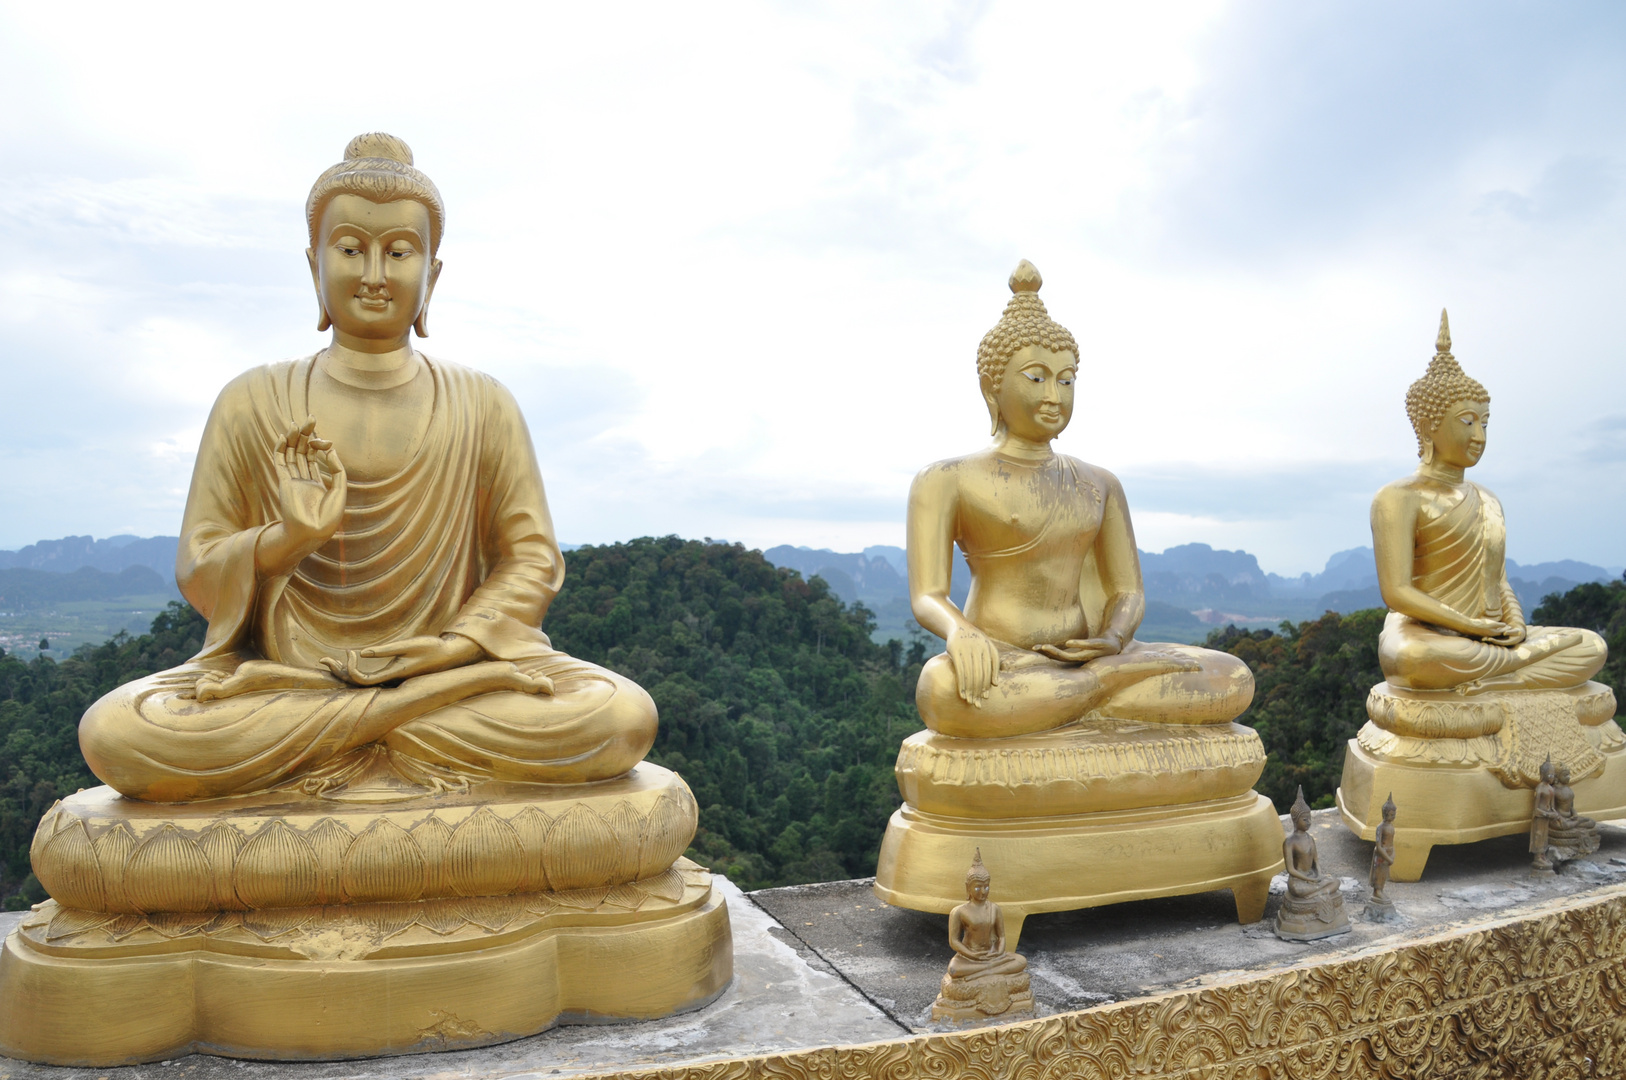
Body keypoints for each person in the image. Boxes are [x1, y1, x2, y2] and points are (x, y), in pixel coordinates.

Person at [78, 134, 656, 802]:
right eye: (351, 248)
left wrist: (454, 647)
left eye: (400, 252)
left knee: (619, 717)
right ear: (314, 266)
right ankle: (386, 734)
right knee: (119, 733)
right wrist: (287, 540)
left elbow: (531, 559)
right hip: (297, 678)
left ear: (432, 274)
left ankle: (366, 735)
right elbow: (199, 568)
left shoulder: (483, 403)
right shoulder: (252, 401)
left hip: (440, 677)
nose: (376, 273)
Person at [907, 260, 1253, 739]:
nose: (1055, 396)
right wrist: (960, 632)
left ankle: (1094, 685)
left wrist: (1111, 639)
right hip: (1003, 662)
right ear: (992, 388)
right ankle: (1104, 689)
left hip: (1089, 654)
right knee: (941, 691)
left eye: (1066, 380)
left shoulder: (1099, 482)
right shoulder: (947, 479)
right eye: (1036, 378)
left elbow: (1126, 592)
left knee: (1230, 677)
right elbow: (928, 595)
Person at [1370, 312, 1606, 695]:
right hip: (1427, 636)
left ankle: (1500, 678)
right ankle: (1510, 675)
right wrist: (1469, 627)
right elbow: (1397, 592)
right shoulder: (1397, 497)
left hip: (1487, 638)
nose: (1479, 435)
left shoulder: (1488, 499)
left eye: (1485, 422)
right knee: (1412, 660)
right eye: (1467, 421)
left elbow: (1497, 579)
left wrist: (1517, 625)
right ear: (1429, 424)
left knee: (1592, 646)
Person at [1276, 787, 1350, 939]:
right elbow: (1290, 869)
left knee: (1335, 882)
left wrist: (1319, 875)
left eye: (1309, 818)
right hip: (1299, 881)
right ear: (1296, 820)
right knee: (1297, 890)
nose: (1309, 822)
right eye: (1305, 819)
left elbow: (1316, 861)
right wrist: (1310, 880)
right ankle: (1321, 891)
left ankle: (1318, 893)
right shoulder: (1289, 842)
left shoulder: (1310, 839)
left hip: (1314, 879)